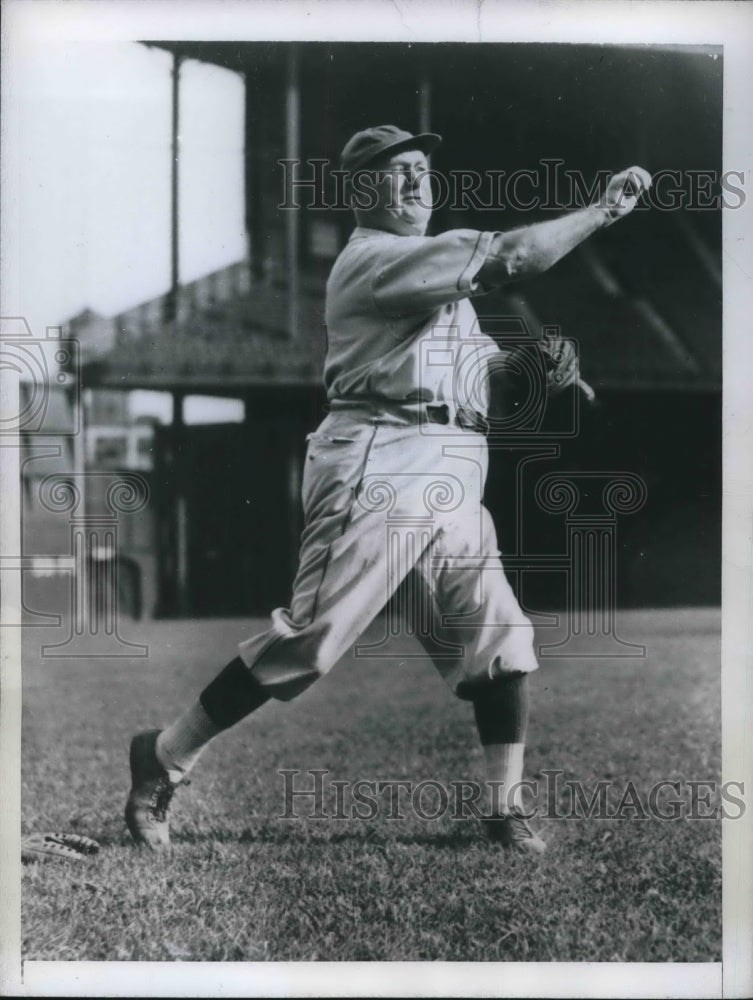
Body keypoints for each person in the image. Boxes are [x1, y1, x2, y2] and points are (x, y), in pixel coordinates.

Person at [126, 124, 651, 853]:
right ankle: (163, 757)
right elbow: (512, 254)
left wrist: (534, 369)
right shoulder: (379, 260)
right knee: (312, 641)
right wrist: (602, 211)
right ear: (358, 191)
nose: (413, 181)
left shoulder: (438, 282)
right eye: (393, 170)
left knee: (498, 634)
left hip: (452, 461)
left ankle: (503, 807)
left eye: (420, 169)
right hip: (380, 456)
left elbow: (487, 379)